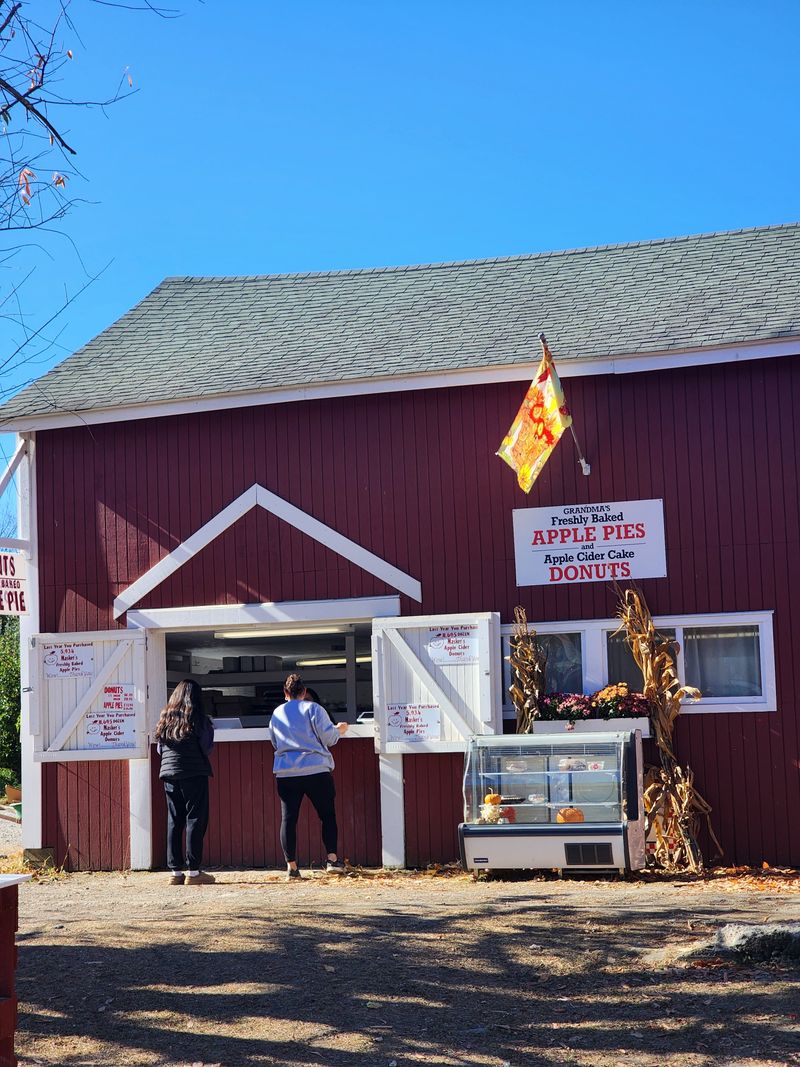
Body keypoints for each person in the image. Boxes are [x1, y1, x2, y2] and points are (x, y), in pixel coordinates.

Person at [269, 673, 349, 880]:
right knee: (327, 815)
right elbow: (329, 738)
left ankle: (292, 867)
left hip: (286, 772)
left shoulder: (277, 713)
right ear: (304, 692)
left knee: (288, 819)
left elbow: (275, 743)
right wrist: (339, 729)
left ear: (285, 693)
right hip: (316, 770)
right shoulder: (314, 709)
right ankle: (332, 860)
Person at [155, 679, 215, 886]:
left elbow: (159, 748)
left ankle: (175, 872)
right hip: (193, 772)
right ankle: (194, 871)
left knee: (174, 820)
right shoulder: (198, 717)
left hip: (169, 772)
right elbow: (206, 747)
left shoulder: (165, 717)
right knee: (195, 819)